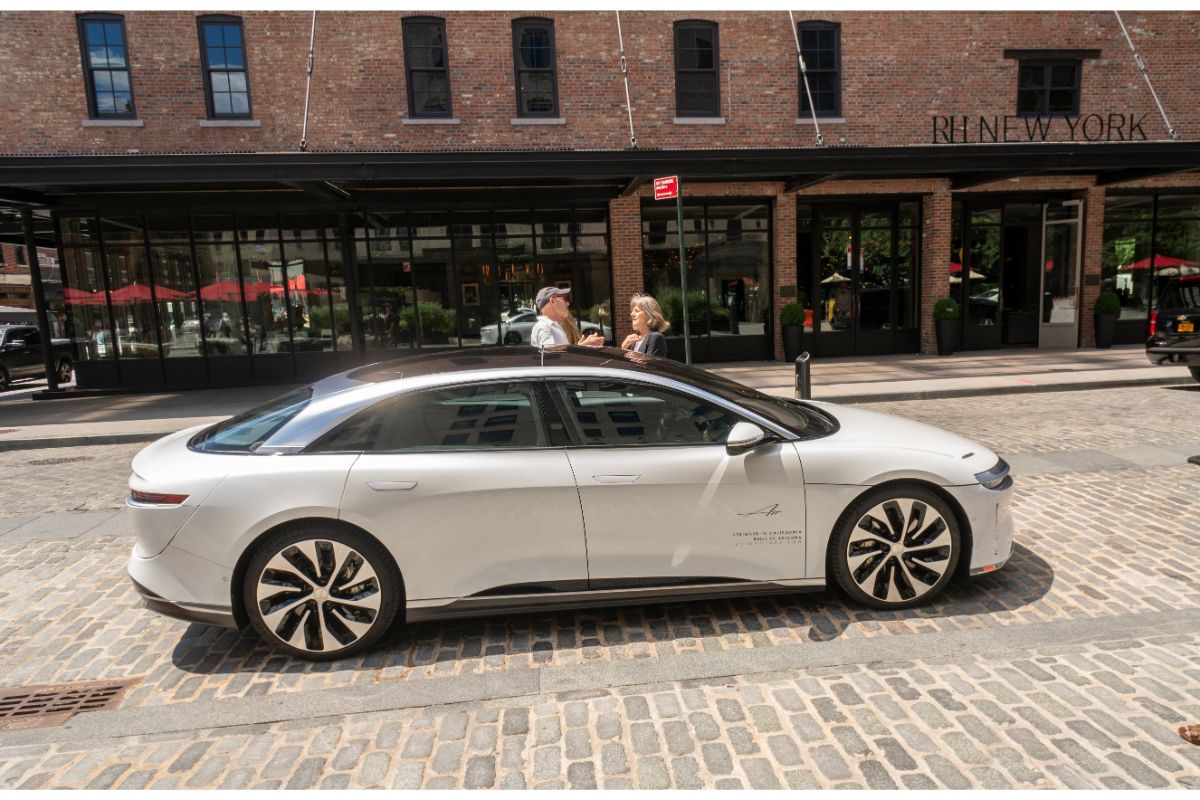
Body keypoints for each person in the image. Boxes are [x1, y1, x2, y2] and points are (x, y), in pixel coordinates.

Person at [529, 286, 603, 348]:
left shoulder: (551, 326)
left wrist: (580, 347)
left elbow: (562, 357)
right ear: (553, 301)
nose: (568, 303)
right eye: (565, 299)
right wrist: (583, 346)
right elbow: (552, 359)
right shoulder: (544, 327)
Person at [621, 293, 669, 357]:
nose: (632, 314)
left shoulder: (655, 337)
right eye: (632, 311)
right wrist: (623, 348)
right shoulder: (634, 340)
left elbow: (651, 364)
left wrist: (633, 356)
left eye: (637, 311)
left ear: (649, 315)